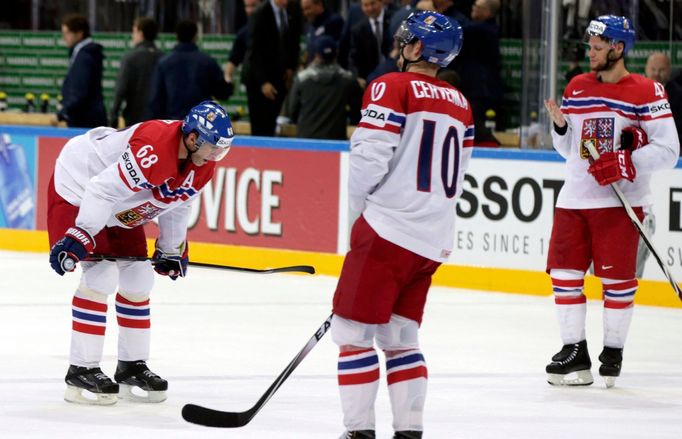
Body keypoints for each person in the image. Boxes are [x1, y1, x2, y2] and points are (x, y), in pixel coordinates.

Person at [330, 11, 471, 439]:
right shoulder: (462, 104)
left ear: (415, 49)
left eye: (404, 41)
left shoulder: (391, 86)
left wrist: (358, 218)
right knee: (401, 336)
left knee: (352, 334)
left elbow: (369, 159)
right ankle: (410, 431)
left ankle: (359, 432)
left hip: (387, 230)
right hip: (431, 240)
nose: (399, 48)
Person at [47, 101, 234, 405]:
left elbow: (178, 202)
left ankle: (132, 365)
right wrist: (83, 232)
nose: (215, 156)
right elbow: (101, 190)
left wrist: (171, 249)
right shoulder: (154, 148)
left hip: (120, 199)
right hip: (79, 183)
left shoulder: (203, 165)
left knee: (139, 278)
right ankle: (81, 368)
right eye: (212, 148)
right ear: (191, 138)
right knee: (101, 275)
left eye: (221, 150)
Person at [543, 16, 679, 389]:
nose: (591, 53)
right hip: (574, 197)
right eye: (590, 46)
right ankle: (575, 352)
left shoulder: (647, 91)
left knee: (617, 280)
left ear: (619, 48)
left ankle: (613, 352)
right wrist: (560, 129)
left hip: (621, 203)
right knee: (564, 274)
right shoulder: (577, 86)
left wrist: (626, 162)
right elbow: (569, 150)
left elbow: (669, 150)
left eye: (599, 47)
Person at [148, 20, 233, 120]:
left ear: (177, 36)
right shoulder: (207, 62)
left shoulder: (164, 63)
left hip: (173, 123)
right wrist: (229, 82)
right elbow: (222, 93)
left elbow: (156, 101)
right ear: (195, 36)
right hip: (201, 123)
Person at [241, 0, 302, 136]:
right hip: (258, 79)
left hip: (280, 77)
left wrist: (290, 67)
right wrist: (263, 82)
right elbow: (254, 50)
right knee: (260, 125)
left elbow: (293, 41)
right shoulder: (260, 13)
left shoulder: (292, 10)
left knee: (272, 123)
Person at [286, 36, 362, 140]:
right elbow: (357, 110)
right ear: (336, 54)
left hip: (305, 140)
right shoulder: (348, 80)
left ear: (316, 55)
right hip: (335, 142)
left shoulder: (302, 79)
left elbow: (293, 111)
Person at [55, 14, 107, 128]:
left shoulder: (85, 56)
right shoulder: (84, 53)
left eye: (67, 33)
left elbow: (80, 91)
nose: (64, 37)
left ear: (79, 33)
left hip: (85, 120)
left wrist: (64, 111)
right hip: (86, 117)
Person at [110, 17, 163, 127]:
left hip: (135, 119)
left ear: (140, 33)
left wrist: (113, 117)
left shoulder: (130, 58)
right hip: (160, 120)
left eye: (134, 31)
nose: (132, 36)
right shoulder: (164, 58)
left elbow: (120, 90)